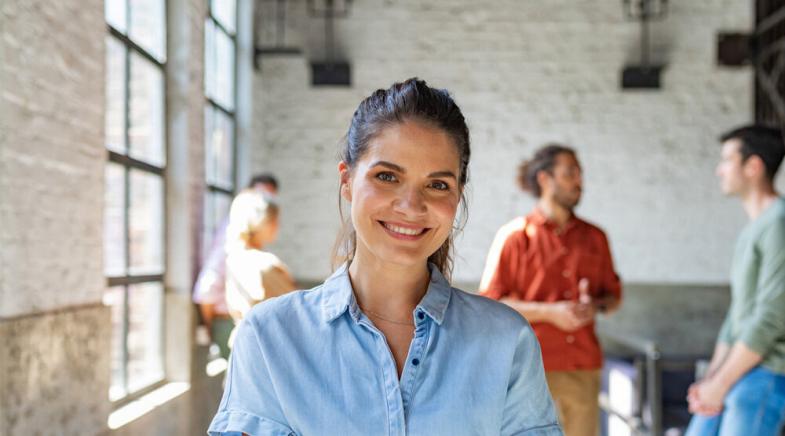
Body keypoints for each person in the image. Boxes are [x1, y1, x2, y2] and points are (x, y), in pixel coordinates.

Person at [208, 78, 562, 435]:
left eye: (437, 184)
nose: (411, 206)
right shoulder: (271, 338)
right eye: (387, 176)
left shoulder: (505, 340)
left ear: (458, 196)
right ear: (347, 180)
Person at [479, 144, 622, 436]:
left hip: (583, 365)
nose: (579, 181)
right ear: (545, 179)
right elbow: (490, 304)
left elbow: (613, 296)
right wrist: (549, 313)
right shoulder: (515, 236)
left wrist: (593, 307)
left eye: (580, 173)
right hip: (529, 368)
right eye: (570, 173)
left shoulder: (596, 237)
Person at [685, 125, 785, 435]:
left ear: (753, 166)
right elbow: (736, 316)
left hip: (766, 374)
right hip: (738, 372)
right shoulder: (755, 227)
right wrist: (711, 380)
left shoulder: (779, 224)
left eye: (727, 160)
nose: (719, 170)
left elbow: (772, 316)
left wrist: (721, 382)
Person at [193, 174, 279, 359]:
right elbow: (205, 289)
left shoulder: (253, 254)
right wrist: (210, 330)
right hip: (229, 322)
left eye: (271, 197)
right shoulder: (234, 245)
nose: (268, 205)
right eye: (262, 197)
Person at [224, 189, 297, 324]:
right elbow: (296, 312)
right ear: (261, 222)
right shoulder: (265, 266)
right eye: (274, 220)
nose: (278, 226)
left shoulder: (234, 257)